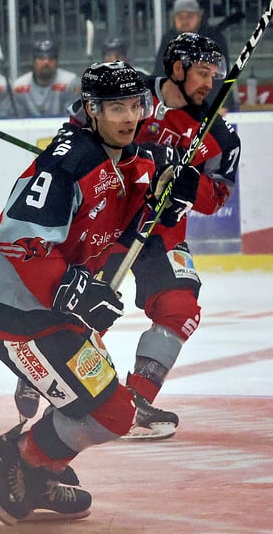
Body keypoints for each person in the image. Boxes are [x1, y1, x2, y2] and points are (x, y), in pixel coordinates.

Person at [0, 61, 194, 524]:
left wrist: (168, 204)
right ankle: (12, 458)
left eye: (135, 105)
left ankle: (36, 465)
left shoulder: (132, 158)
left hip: (52, 310)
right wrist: (69, 288)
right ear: (92, 109)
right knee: (106, 414)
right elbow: (21, 241)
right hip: (15, 312)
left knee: (116, 412)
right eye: (116, 107)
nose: (129, 117)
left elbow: (133, 231)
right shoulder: (70, 161)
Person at [120, 32, 240, 438]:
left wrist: (190, 183)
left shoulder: (219, 135)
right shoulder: (129, 90)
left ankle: (135, 403)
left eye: (215, 73)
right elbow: (80, 128)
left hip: (161, 231)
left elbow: (216, 196)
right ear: (177, 69)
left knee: (180, 306)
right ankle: (51, 377)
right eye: (203, 72)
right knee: (82, 304)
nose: (210, 82)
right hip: (105, 220)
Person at [151, 0, 236, 111]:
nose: (185, 21)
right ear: (174, 19)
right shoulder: (169, 39)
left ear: (199, 17)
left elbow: (218, 76)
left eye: (190, 16)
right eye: (180, 17)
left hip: (211, 106)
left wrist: (216, 106)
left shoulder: (213, 38)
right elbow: (160, 73)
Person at [12, 38, 80, 118]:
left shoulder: (71, 83)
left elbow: (72, 118)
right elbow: (18, 121)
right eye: (41, 58)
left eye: (51, 58)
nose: (46, 62)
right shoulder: (19, 86)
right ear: (33, 61)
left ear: (57, 62)